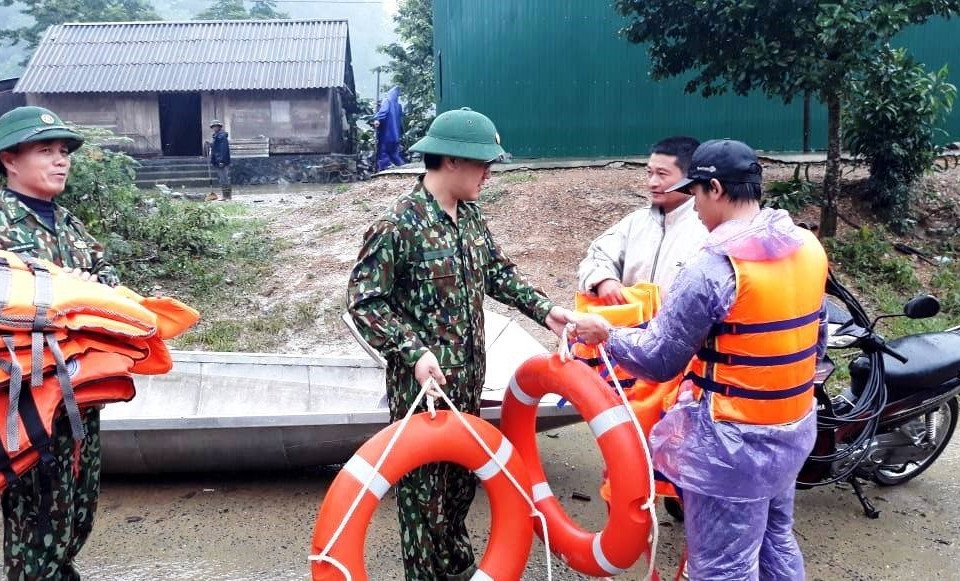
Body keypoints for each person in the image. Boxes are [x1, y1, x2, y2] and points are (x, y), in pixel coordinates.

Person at [573, 139, 827, 580]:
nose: (694, 207)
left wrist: (607, 335)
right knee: (775, 541)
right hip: (792, 430)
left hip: (733, 447)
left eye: (696, 195)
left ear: (714, 189)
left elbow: (658, 360)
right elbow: (817, 342)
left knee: (723, 567)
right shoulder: (806, 247)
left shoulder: (714, 269)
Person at [347, 107, 573, 581]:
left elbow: (497, 273)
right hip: (422, 395)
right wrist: (414, 352)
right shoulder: (398, 224)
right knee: (423, 504)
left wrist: (545, 311)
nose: (489, 173)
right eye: (482, 163)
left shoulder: (469, 218)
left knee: (459, 491)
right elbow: (365, 303)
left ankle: (456, 569)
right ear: (450, 160)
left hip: (467, 385)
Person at [0, 105, 120, 580]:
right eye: (45, 150)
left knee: (76, 518)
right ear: (9, 159)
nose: (60, 160)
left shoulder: (69, 225)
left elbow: (110, 286)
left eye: (64, 151)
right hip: (24, 402)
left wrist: (79, 289)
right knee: (36, 528)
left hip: (81, 400)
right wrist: (63, 287)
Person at [578, 136, 708, 304]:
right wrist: (603, 280)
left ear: (689, 179)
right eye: (649, 173)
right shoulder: (636, 222)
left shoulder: (706, 228)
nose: (652, 183)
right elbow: (597, 256)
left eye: (662, 174)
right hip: (625, 326)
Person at [372, 87, 406, 171]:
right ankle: (401, 166)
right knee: (394, 154)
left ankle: (384, 168)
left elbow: (384, 112)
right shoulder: (398, 106)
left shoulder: (387, 101)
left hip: (387, 134)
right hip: (396, 135)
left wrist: (377, 119)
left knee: (383, 152)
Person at [209, 119, 231, 200]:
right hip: (217, 160)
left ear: (219, 127)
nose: (214, 128)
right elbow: (216, 148)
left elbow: (223, 149)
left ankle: (227, 196)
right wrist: (210, 145)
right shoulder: (216, 136)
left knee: (224, 178)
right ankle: (225, 195)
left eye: (216, 126)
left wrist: (221, 160)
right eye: (213, 127)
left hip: (221, 161)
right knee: (221, 179)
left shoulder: (222, 137)